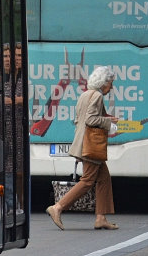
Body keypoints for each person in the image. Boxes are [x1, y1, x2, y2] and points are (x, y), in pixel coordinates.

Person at [46, 65, 118, 231]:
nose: (111, 87)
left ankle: (101, 218)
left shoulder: (85, 94)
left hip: (83, 143)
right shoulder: (98, 96)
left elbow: (81, 118)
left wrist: (107, 118)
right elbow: (91, 120)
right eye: (111, 83)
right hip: (91, 146)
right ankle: (58, 207)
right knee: (87, 180)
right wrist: (108, 123)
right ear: (103, 82)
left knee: (104, 178)